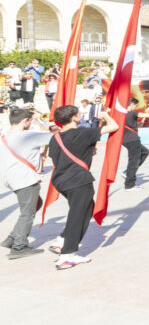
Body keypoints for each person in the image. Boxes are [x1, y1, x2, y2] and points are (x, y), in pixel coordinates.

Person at [47, 104, 119, 269]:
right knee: (77, 215)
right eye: (79, 114)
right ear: (74, 118)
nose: (81, 116)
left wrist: (86, 150)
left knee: (86, 209)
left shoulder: (55, 137)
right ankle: (66, 255)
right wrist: (105, 115)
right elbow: (114, 126)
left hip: (61, 180)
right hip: (78, 180)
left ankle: (62, 240)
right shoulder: (82, 132)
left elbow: (58, 156)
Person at [1, 108, 51, 259]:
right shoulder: (28, 136)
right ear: (25, 121)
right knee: (28, 212)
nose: (32, 122)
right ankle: (19, 246)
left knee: (35, 204)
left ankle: (12, 238)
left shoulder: (5, 136)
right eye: (31, 120)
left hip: (13, 178)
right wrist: (52, 127)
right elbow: (57, 138)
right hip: (26, 179)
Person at [122, 97, 149, 190]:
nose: (136, 107)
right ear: (132, 104)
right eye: (135, 105)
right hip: (132, 140)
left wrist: (138, 125)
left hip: (126, 139)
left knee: (145, 152)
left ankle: (128, 172)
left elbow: (129, 125)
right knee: (133, 162)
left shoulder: (122, 114)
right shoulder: (132, 113)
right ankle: (129, 184)